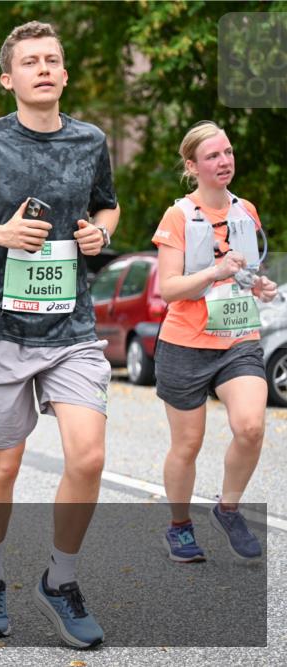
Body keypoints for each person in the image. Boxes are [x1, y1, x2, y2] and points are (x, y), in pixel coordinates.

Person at [0, 21, 120, 648]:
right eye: (29, 61)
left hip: (71, 327)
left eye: (52, 60)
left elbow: (106, 204)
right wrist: (0, 234)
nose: (43, 68)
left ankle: (60, 580)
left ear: (64, 74)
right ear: (9, 79)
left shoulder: (90, 141)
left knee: (88, 456)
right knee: (2, 467)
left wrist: (100, 234)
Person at [151, 121, 278, 564]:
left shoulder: (247, 211)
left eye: (227, 153)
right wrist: (214, 273)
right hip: (185, 342)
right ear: (192, 166)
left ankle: (227, 508)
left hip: (238, 337)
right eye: (212, 156)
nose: (224, 162)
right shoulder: (179, 216)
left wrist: (257, 284)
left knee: (250, 426)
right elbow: (169, 288)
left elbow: (243, 271)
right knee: (187, 445)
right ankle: (179, 527)